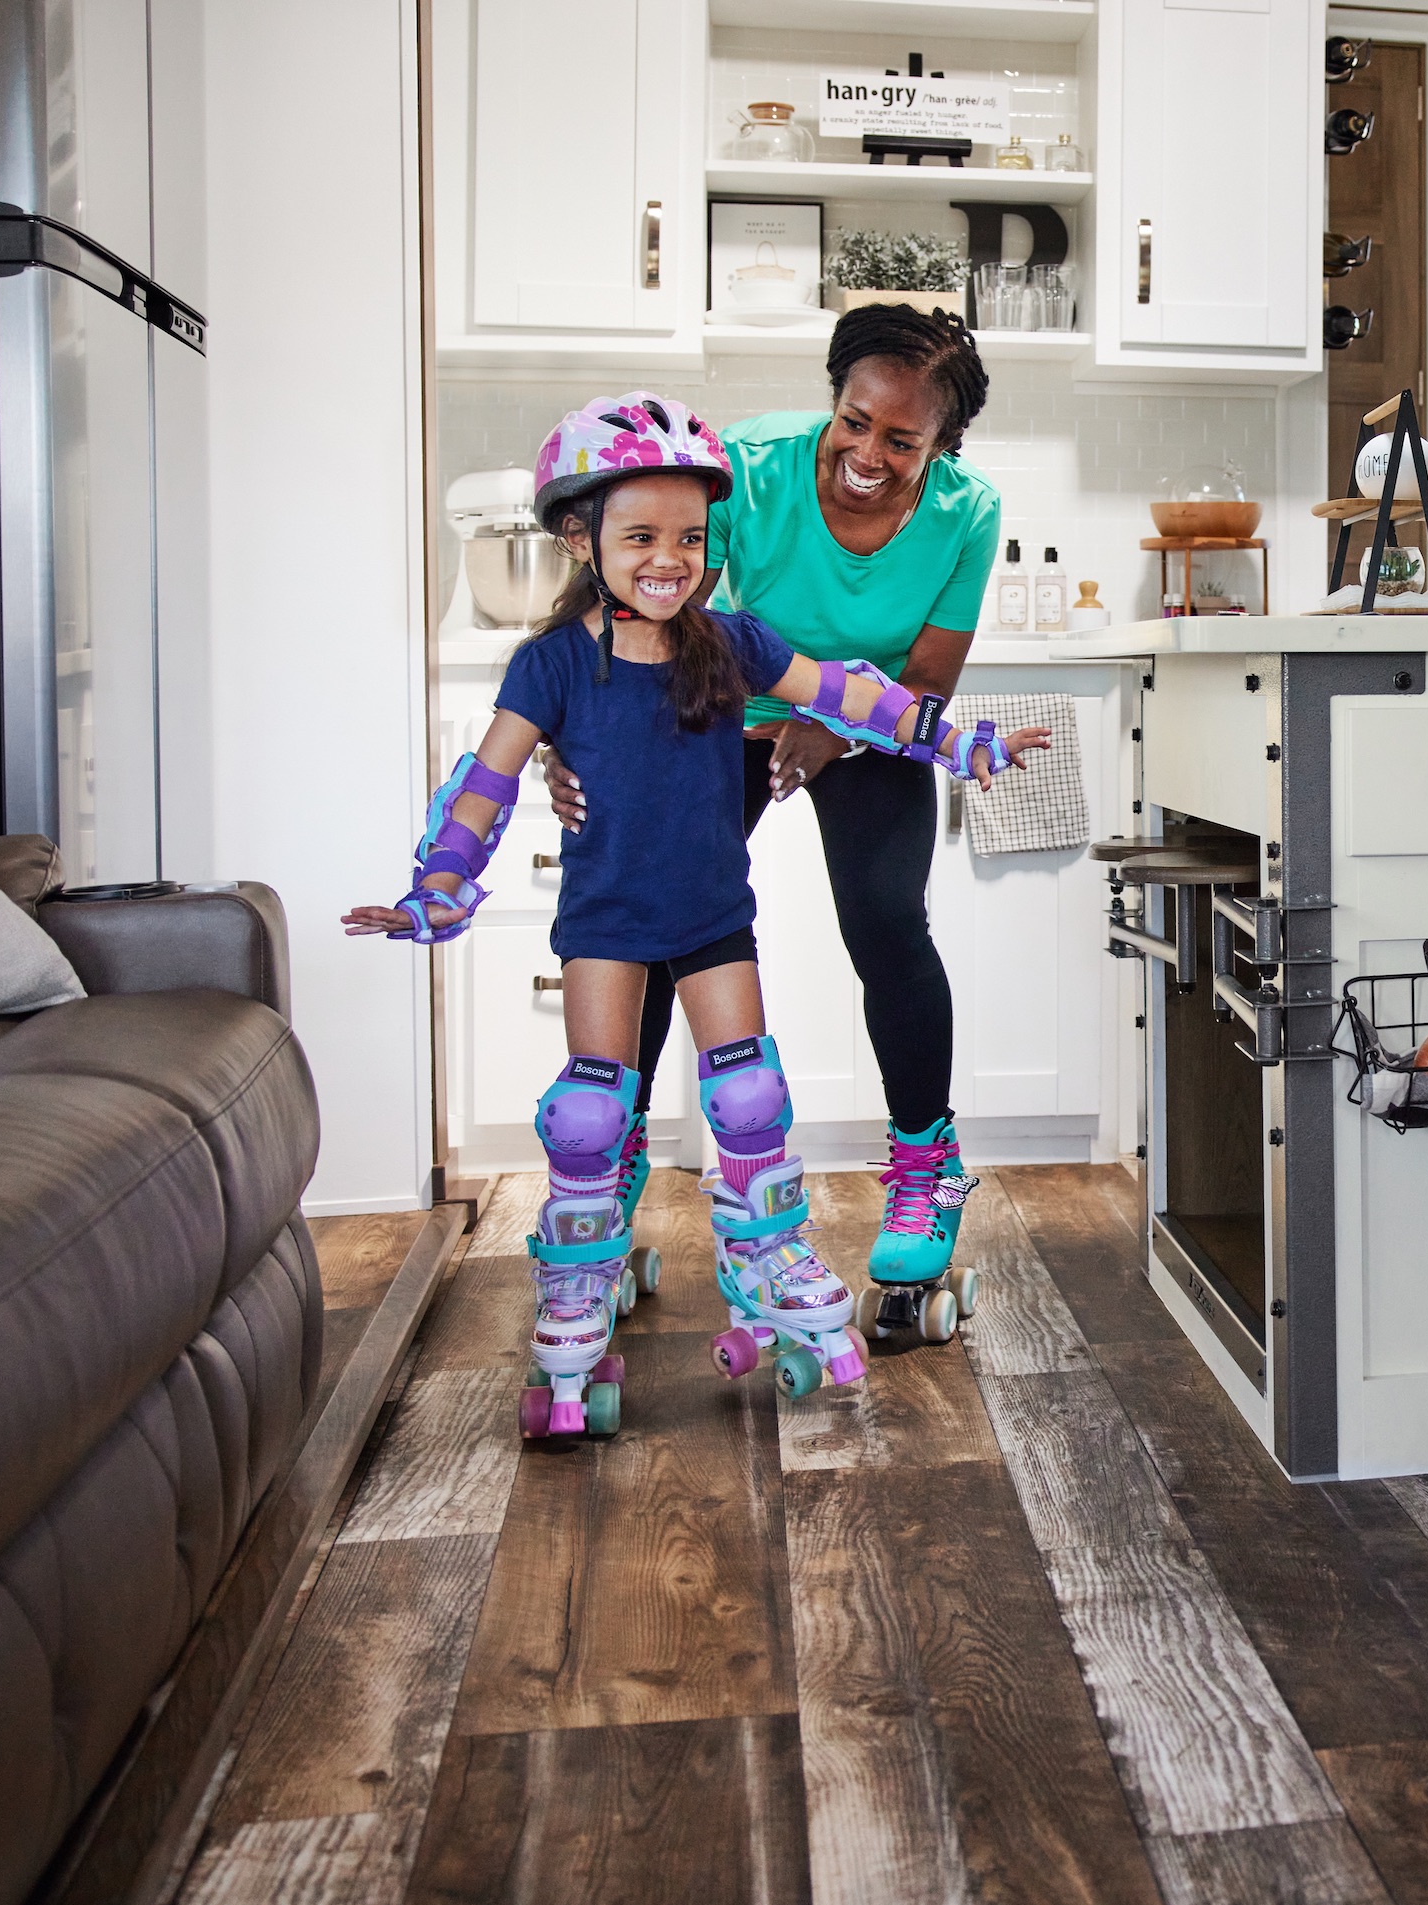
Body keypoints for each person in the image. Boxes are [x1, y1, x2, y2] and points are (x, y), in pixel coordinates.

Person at [351, 394, 1044, 1432]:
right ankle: (576, 1284)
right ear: (581, 539)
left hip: (715, 917)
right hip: (605, 926)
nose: (669, 559)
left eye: (688, 537)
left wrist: (961, 743)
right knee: (591, 1112)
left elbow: (854, 697)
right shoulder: (551, 662)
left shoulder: (730, 643)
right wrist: (438, 886)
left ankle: (767, 1257)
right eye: (640, 537)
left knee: (751, 1099)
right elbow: (486, 782)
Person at [549, 306, 1004, 1310]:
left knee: (887, 920)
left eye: (902, 441)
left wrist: (834, 731)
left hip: (871, 720)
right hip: (730, 702)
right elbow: (652, 608)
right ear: (832, 403)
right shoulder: (750, 468)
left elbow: (928, 684)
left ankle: (927, 1168)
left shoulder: (966, 514)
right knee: (655, 916)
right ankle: (611, 1158)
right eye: (854, 422)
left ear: (942, 445)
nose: (867, 456)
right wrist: (576, 732)